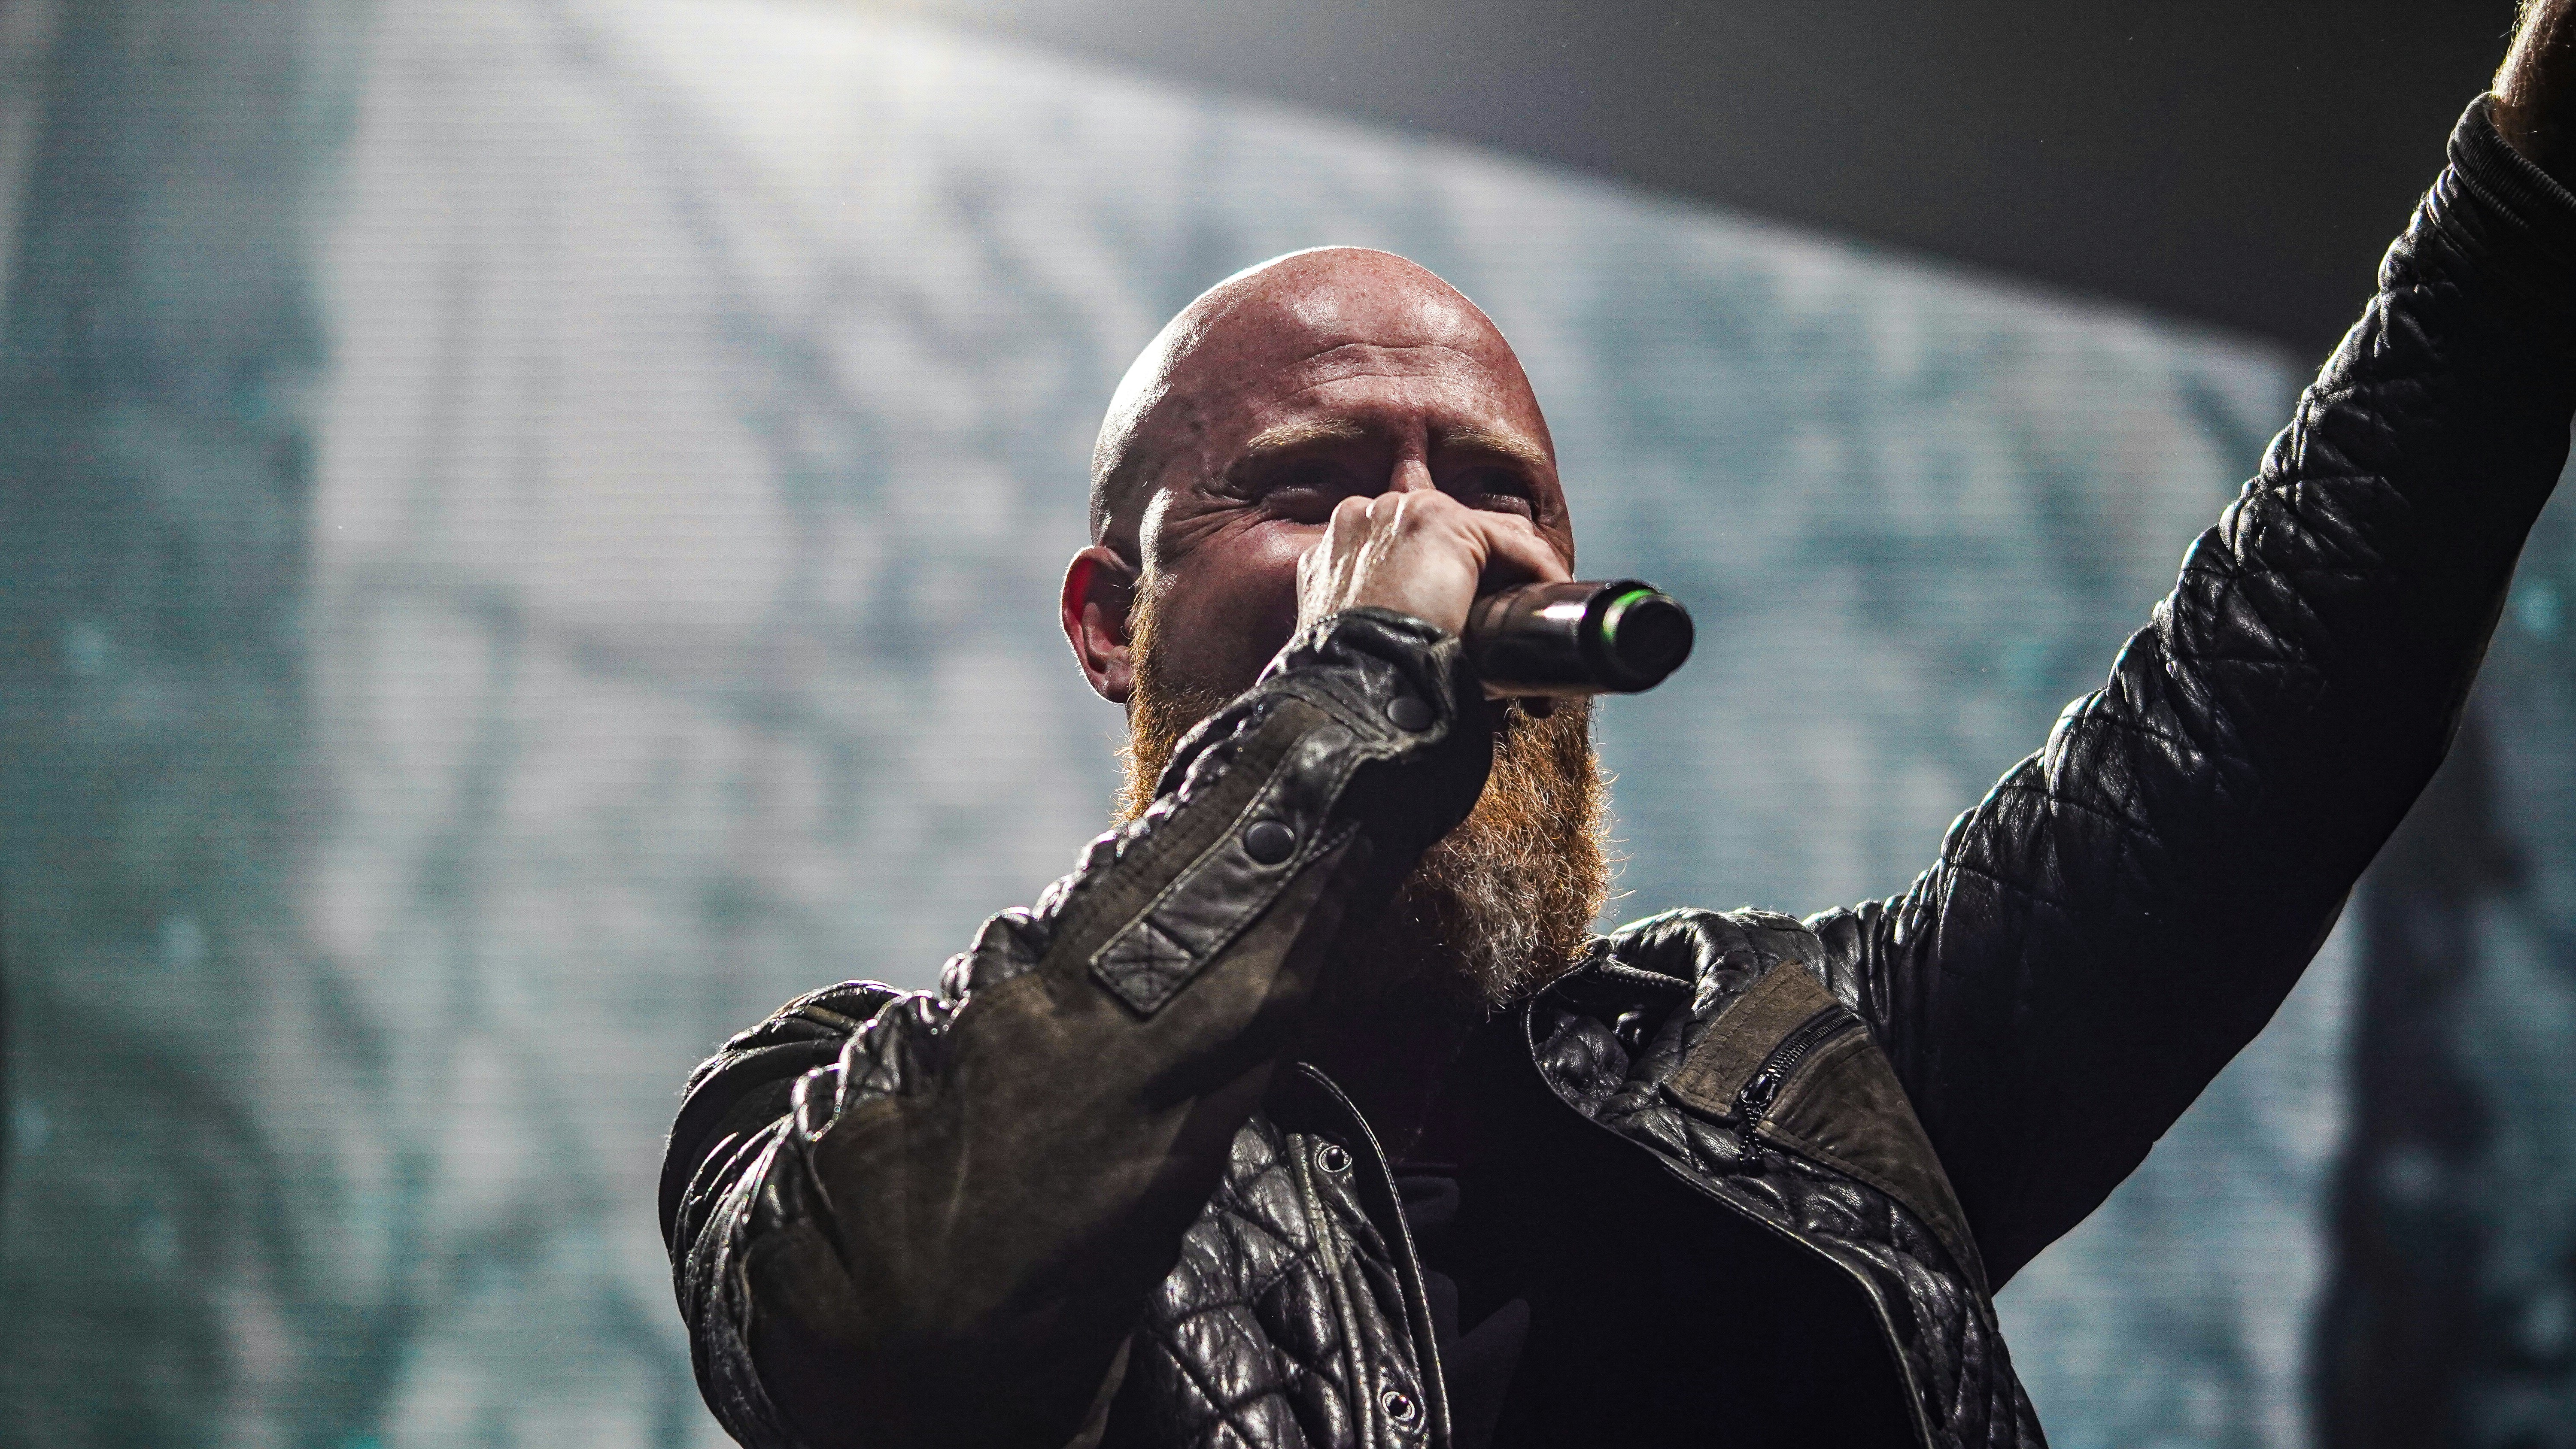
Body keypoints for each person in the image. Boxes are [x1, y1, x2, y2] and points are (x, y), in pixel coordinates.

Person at [659, 9, 2576, 1443]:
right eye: (1324, 480)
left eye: (1500, 488)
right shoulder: (842, 1116)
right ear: (1110, 622)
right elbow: (878, 1334)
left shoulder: (1794, 1079)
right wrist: (1348, 706)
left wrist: (2535, 189)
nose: (1441, 537)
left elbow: (2261, 710)